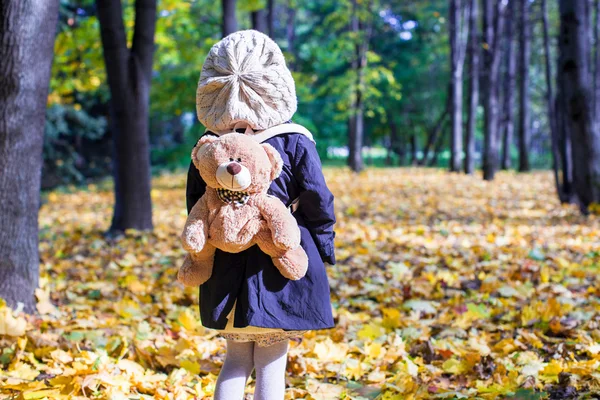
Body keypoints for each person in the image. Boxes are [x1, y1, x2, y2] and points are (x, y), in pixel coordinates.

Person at [185, 30, 337, 399]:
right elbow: (318, 200)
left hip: (226, 263)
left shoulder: (210, 146)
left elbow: (194, 202)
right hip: (277, 267)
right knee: (272, 362)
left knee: (235, 359)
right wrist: (323, 246)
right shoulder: (295, 140)